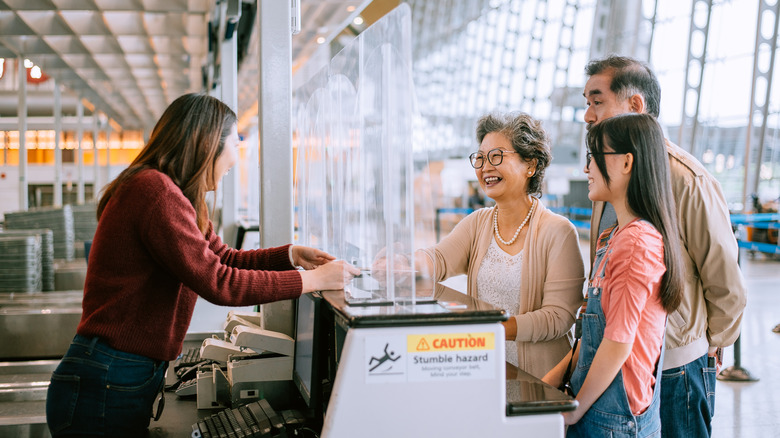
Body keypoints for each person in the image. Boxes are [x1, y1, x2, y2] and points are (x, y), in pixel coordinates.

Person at [45, 93, 359, 437]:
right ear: (207, 145)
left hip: (121, 373)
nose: (236, 159)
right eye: (234, 144)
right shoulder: (155, 192)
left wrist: (291, 255)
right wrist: (314, 281)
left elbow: (222, 258)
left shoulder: (176, 194)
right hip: (109, 376)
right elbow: (219, 282)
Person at [581, 55, 747, 437]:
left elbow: (725, 279)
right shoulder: (608, 177)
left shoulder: (687, 180)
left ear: (635, 105)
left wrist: (708, 347)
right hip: (624, 368)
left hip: (675, 367)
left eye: (597, 100)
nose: (588, 114)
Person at [394, 112, 585, 379]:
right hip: (485, 370)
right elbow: (437, 259)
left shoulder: (558, 232)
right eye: (480, 158)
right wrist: (404, 264)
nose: (485, 167)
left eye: (496, 156)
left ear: (530, 164)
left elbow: (558, 317)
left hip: (540, 380)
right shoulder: (478, 223)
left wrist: (490, 328)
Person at [544, 113, 685, 436]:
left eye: (594, 157)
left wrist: (574, 411)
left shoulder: (636, 242)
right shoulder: (614, 237)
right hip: (597, 405)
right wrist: (549, 385)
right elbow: (594, 336)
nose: (586, 169)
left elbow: (617, 344)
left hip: (612, 419)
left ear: (626, 163)